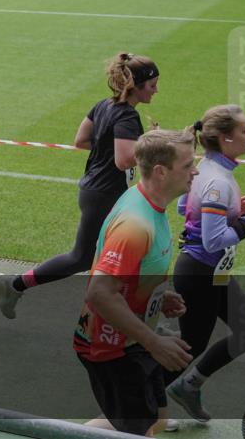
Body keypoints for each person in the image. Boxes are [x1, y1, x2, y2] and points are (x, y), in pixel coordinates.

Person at [0, 52, 160, 319]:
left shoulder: (102, 106)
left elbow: (81, 140)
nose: (155, 91)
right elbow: (123, 161)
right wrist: (149, 141)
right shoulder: (127, 117)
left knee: (119, 257)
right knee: (86, 258)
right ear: (136, 85)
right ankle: (15, 285)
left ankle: (131, 319)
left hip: (96, 191)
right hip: (106, 195)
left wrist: (116, 144)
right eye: (152, 85)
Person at [74, 128, 198, 436]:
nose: (194, 171)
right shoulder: (135, 225)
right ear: (160, 171)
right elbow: (100, 293)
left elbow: (127, 276)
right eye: (187, 165)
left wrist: (155, 294)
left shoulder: (149, 201)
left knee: (155, 418)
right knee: (137, 429)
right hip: (110, 348)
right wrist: (154, 343)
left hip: (133, 337)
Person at [165, 106, 245, 422]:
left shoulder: (205, 168)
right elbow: (212, 241)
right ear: (225, 138)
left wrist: (231, 211)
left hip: (209, 272)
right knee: (188, 349)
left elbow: (185, 206)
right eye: (244, 130)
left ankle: (188, 387)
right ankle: (138, 402)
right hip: (200, 272)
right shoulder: (218, 181)